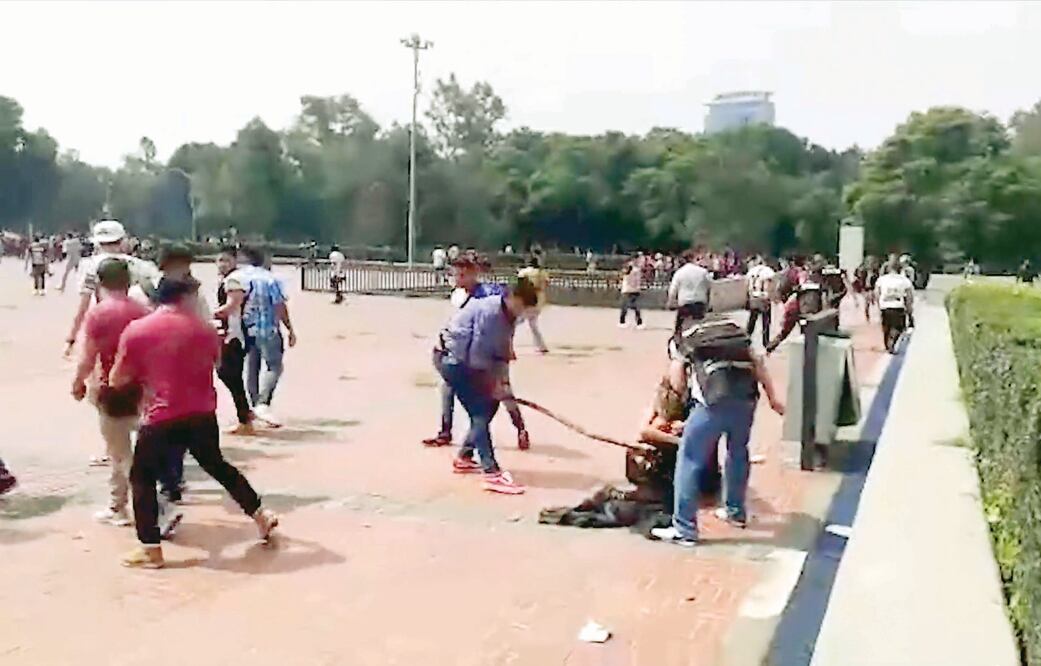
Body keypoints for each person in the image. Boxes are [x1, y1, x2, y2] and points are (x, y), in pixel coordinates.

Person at [109, 277, 279, 569]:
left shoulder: (138, 330)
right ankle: (260, 514)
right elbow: (214, 363)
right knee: (218, 466)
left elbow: (117, 378)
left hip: (161, 414)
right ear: (185, 298)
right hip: (201, 412)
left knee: (142, 478)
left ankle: (150, 549)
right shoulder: (205, 330)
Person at [651, 319, 784, 547]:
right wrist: (773, 399)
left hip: (713, 401)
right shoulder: (733, 332)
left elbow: (677, 375)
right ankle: (736, 511)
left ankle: (685, 529)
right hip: (746, 399)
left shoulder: (683, 340)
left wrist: (678, 402)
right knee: (738, 452)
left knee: (690, 458)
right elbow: (758, 362)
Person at [437, 277, 540, 495]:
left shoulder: (508, 316)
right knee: (479, 412)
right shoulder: (491, 313)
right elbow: (477, 354)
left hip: (471, 362)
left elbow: (502, 353)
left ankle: (465, 456)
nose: (522, 312)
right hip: (453, 360)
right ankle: (491, 472)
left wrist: (502, 385)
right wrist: (490, 383)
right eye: (521, 306)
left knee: (490, 405)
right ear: (511, 297)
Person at [71, 258, 151, 526]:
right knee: (129, 452)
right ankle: (118, 507)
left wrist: (78, 381)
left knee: (120, 454)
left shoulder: (98, 313)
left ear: (100, 283)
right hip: (141, 389)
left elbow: (88, 355)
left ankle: (155, 509)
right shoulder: (143, 310)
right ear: (128, 282)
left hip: (111, 388)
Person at [424, 256, 531, 450]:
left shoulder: (487, 295)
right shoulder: (461, 296)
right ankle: (446, 432)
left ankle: (520, 429)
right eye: (455, 275)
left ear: (474, 274)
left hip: (492, 353)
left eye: (462, 275)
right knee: (447, 388)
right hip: (467, 353)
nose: (457, 279)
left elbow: (507, 320)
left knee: (503, 393)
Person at [65, 220, 160, 359]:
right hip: (136, 324)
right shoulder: (143, 265)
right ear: (122, 240)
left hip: (102, 325)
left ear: (96, 243)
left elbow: (84, 304)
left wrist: (71, 338)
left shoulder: (89, 265)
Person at [238, 246, 297, 427]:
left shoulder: (239, 278)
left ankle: (254, 405)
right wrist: (290, 329)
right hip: (268, 329)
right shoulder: (270, 279)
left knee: (252, 367)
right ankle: (263, 403)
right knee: (274, 366)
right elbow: (279, 306)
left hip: (246, 329)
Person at [213, 246, 255, 436]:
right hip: (230, 332)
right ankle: (245, 415)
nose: (222, 264)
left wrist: (208, 314)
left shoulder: (234, 280)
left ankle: (245, 417)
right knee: (231, 375)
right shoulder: (228, 279)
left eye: (226, 260)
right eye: (219, 260)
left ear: (234, 261)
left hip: (234, 334)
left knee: (228, 373)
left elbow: (233, 304)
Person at [668, 249, 712, 332]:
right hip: (699, 304)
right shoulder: (703, 272)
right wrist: (708, 304)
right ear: (693, 258)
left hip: (685, 304)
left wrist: (671, 302)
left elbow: (673, 290)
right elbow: (709, 288)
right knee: (700, 328)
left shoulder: (679, 273)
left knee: (679, 329)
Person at [875, 261, 915, 354]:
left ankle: (887, 344)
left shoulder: (882, 279)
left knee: (886, 327)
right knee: (899, 327)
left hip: (885, 306)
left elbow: (877, 293)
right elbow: (909, 297)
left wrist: (879, 304)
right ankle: (892, 342)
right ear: (900, 269)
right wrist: (909, 310)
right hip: (898, 306)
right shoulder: (904, 280)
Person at [517, 260, 550, 353]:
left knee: (514, 322)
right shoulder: (542, 272)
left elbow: (519, 284)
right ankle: (542, 347)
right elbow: (547, 284)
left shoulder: (524, 272)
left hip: (527, 300)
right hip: (539, 300)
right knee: (533, 325)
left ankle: (504, 342)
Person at [745, 255, 775, 347]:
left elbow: (746, 286)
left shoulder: (751, 271)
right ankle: (765, 342)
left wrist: (747, 298)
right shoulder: (768, 271)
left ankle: (747, 337)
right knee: (766, 321)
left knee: (752, 319)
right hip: (763, 297)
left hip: (753, 296)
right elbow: (771, 284)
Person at [618, 260, 645, 329]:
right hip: (630, 290)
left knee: (628, 307)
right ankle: (638, 322)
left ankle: (623, 321)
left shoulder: (634, 270)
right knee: (633, 307)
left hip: (629, 290)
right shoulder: (635, 271)